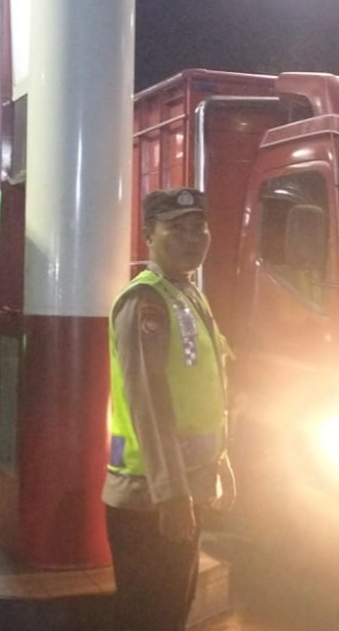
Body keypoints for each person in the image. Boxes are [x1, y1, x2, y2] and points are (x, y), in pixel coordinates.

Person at [104, 188, 235, 631]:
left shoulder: (189, 295)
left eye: (198, 227)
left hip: (181, 490)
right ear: (148, 235)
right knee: (150, 618)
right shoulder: (146, 301)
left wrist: (220, 462)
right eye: (176, 229)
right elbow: (149, 400)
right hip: (148, 498)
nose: (192, 237)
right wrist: (171, 493)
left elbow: (201, 392)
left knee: (173, 610)